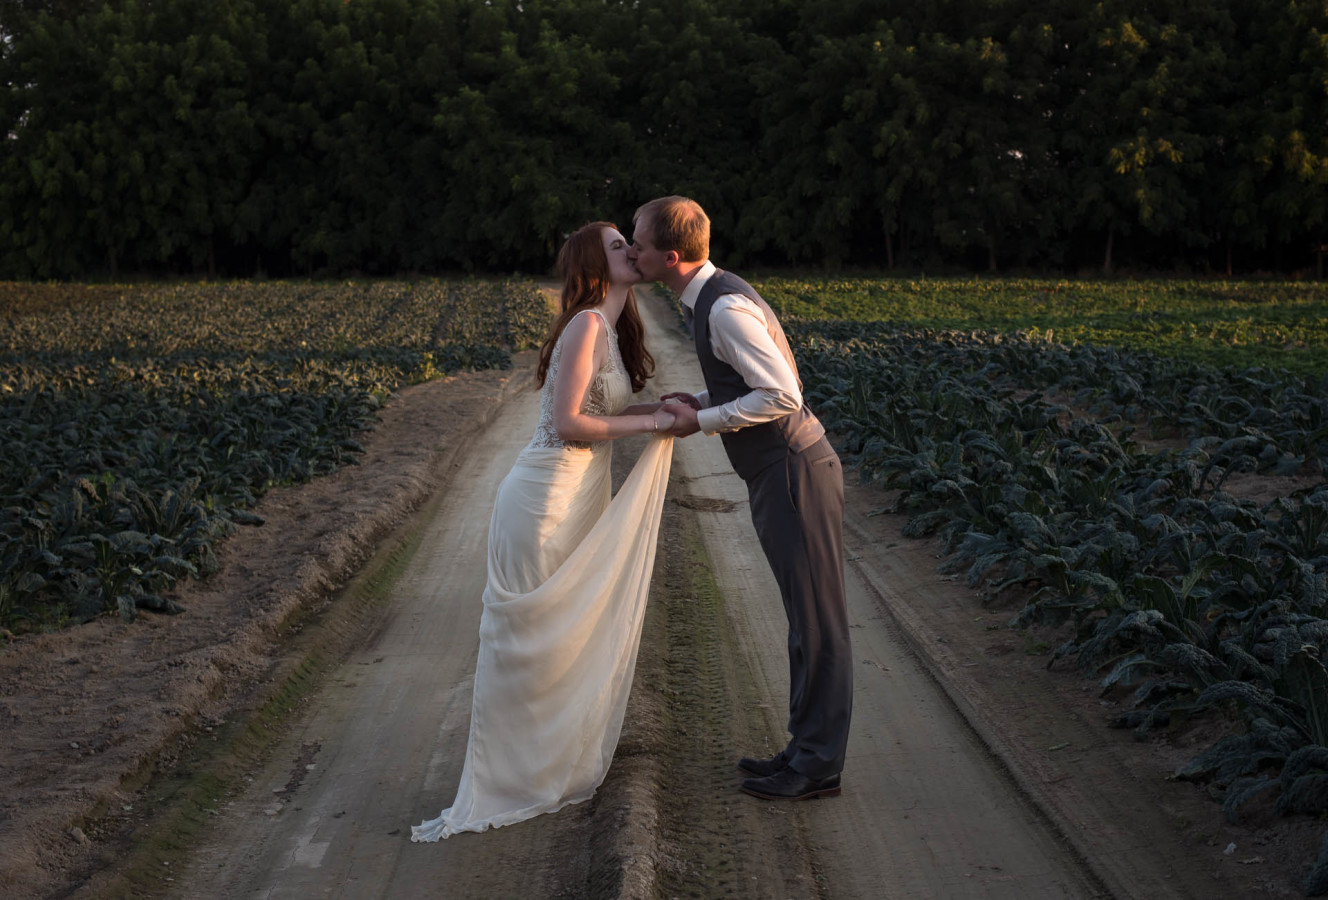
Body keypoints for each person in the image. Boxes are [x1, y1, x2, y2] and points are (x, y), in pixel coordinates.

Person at [412, 222, 675, 841]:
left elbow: (600, 412)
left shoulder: (607, 328)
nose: (631, 252)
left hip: (577, 493)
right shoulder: (585, 324)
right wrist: (651, 424)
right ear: (594, 263)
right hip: (543, 501)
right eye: (618, 246)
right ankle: (511, 779)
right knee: (529, 640)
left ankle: (543, 766)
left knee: (561, 634)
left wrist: (663, 410)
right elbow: (567, 423)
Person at [629, 196, 852, 801]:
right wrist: (702, 401)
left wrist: (699, 423)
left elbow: (782, 394)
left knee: (817, 622)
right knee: (803, 621)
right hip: (782, 470)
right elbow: (751, 381)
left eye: (638, 243)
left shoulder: (723, 307)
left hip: (792, 470)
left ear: (669, 257)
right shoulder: (712, 296)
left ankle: (817, 767)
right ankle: (806, 748)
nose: (631, 250)